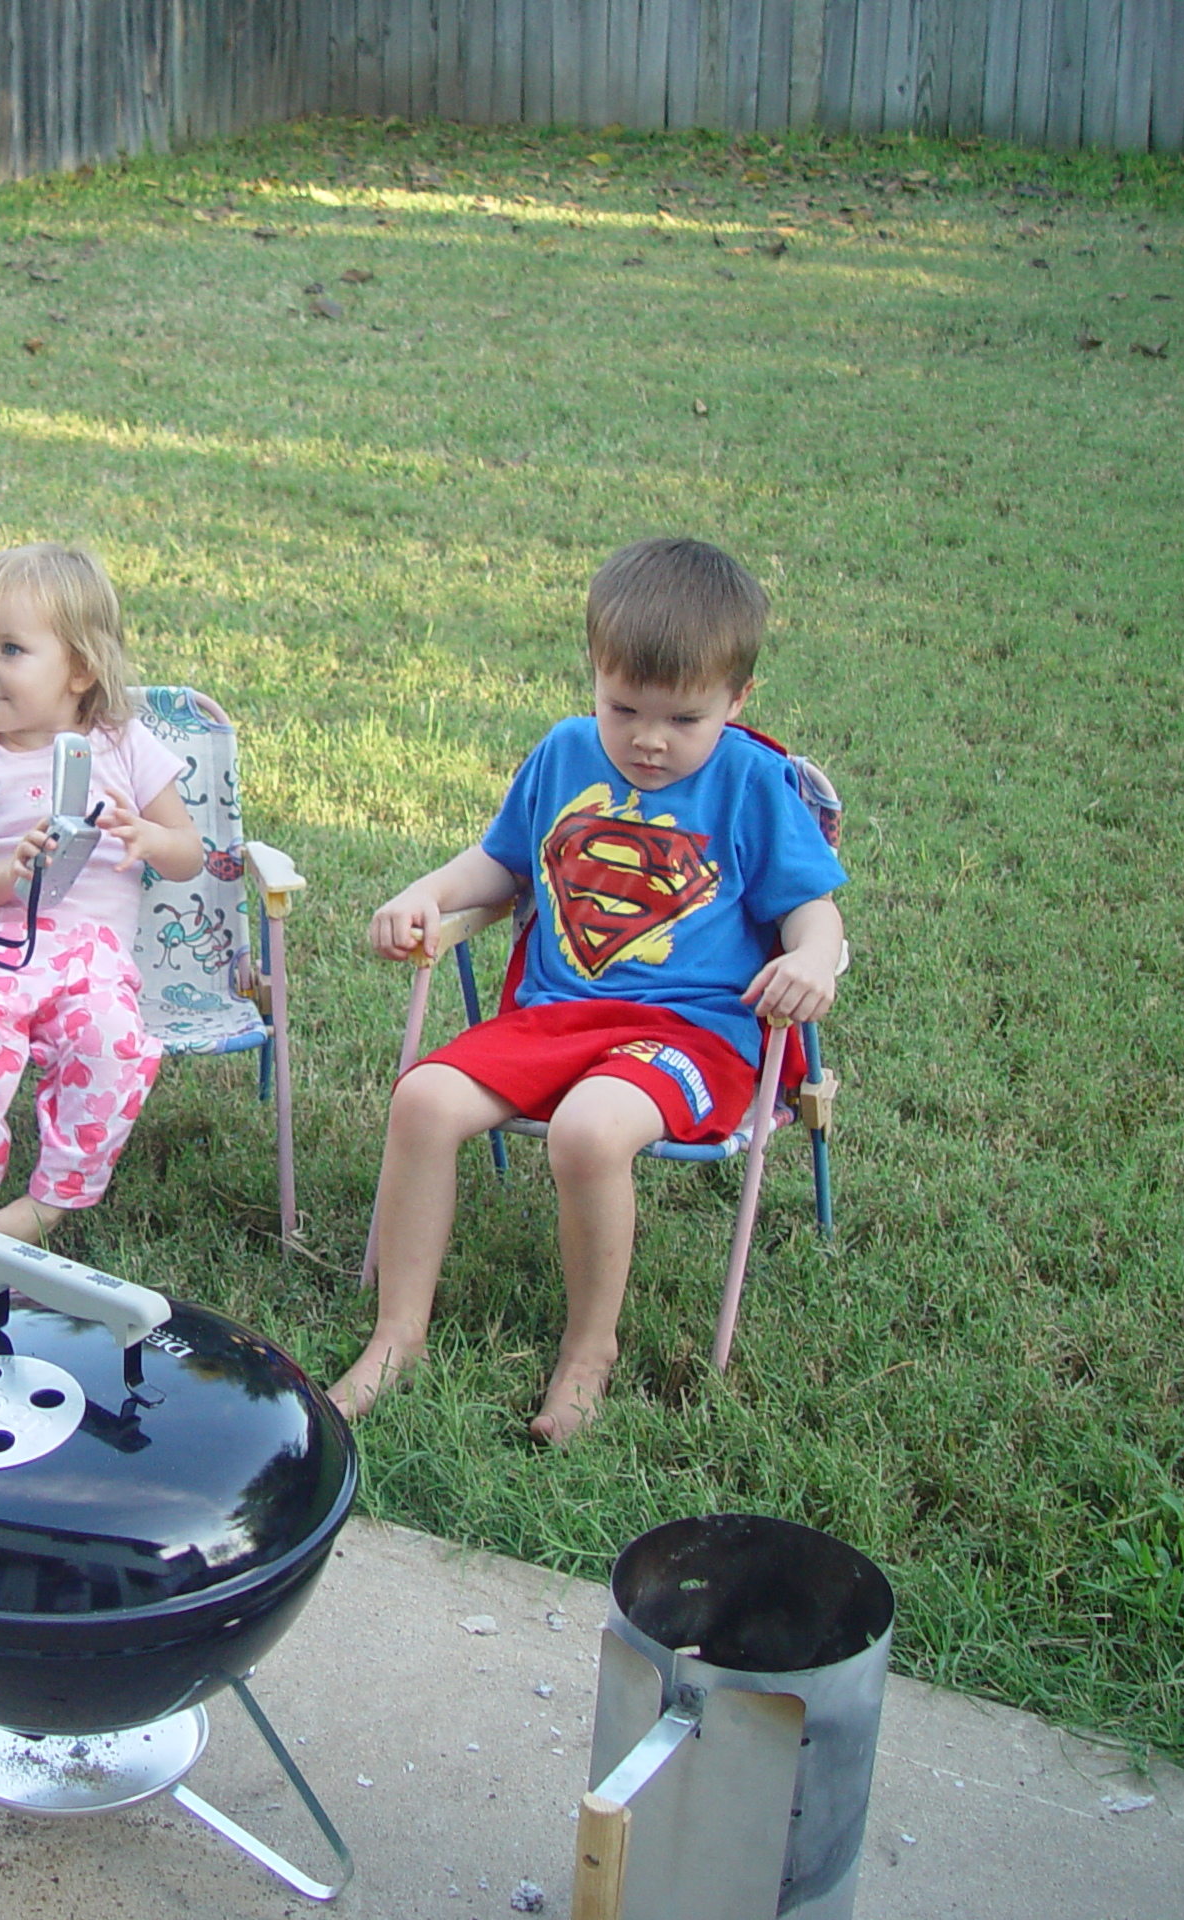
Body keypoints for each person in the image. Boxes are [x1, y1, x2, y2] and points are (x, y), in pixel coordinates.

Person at [330, 538, 846, 1444]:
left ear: (737, 701)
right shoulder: (566, 754)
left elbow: (814, 916)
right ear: (595, 678)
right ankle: (397, 1333)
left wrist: (811, 960)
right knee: (421, 1098)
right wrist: (427, 894)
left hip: (693, 1035)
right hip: (555, 1017)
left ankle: (587, 1350)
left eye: (684, 719)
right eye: (623, 707)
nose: (648, 739)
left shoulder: (755, 783)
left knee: (589, 1129)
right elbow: (497, 867)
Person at [0, 543, 205, 1261]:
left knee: (112, 1042)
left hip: (89, 954)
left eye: (8, 649)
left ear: (80, 668)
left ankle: (45, 1208)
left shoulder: (122, 744)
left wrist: (148, 834)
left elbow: (190, 855)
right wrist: (10, 875)